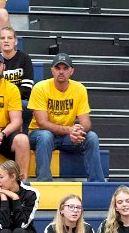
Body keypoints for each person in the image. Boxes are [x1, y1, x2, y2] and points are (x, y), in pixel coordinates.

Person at [27, 53, 105, 182]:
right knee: (46, 136)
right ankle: (44, 182)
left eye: (65, 68)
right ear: (52, 70)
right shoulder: (40, 87)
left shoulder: (79, 89)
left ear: (71, 71)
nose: (61, 71)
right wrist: (69, 130)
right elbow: (42, 123)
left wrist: (78, 131)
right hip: (39, 134)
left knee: (91, 137)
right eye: (58, 68)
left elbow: (86, 123)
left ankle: (97, 183)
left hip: (66, 137)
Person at [0, 25, 34, 130]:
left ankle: (25, 135)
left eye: (9, 38)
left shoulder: (24, 58)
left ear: (16, 41)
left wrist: (10, 98)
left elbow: (27, 88)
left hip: (19, 100)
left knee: (26, 106)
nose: (6, 41)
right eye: (3, 38)